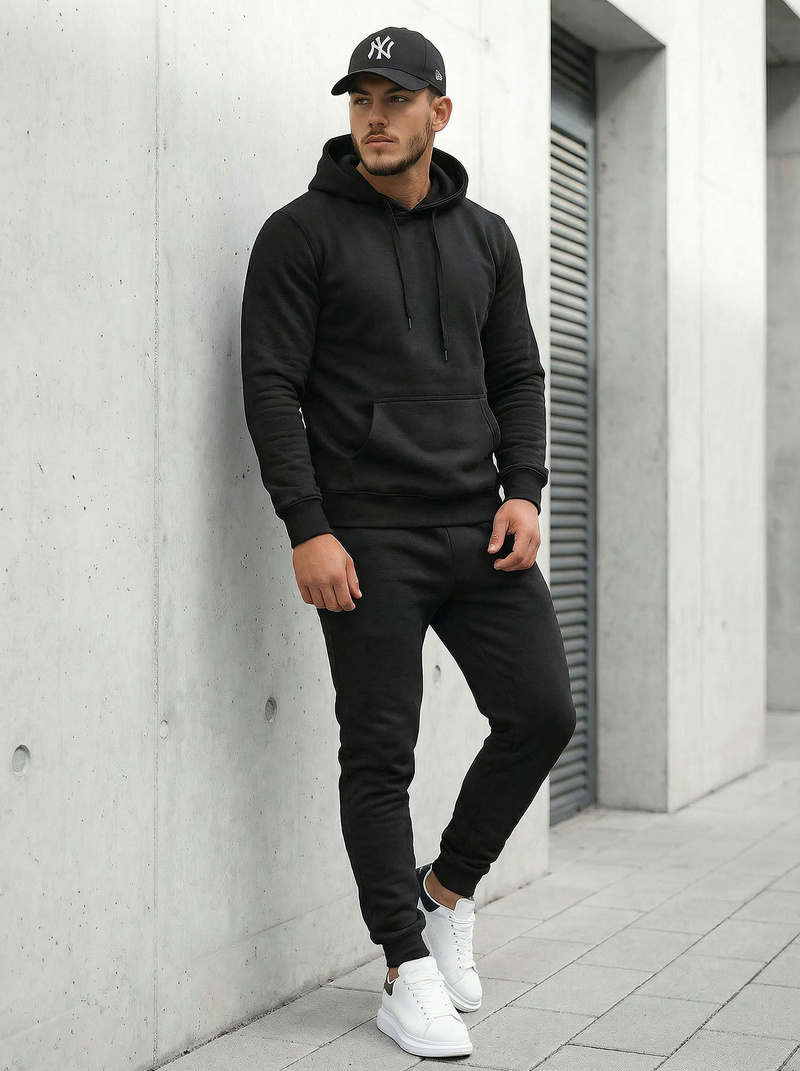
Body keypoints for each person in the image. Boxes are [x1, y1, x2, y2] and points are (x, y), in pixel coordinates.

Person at [240, 25, 576, 1060]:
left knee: (542, 713)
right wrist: (308, 526)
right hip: (366, 538)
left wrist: (524, 491)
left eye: (394, 99)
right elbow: (270, 387)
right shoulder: (299, 234)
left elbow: (516, 374)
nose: (374, 118)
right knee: (380, 754)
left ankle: (444, 893)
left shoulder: (486, 237)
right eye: (360, 100)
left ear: (439, 111)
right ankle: (402, 968)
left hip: (478, 526)